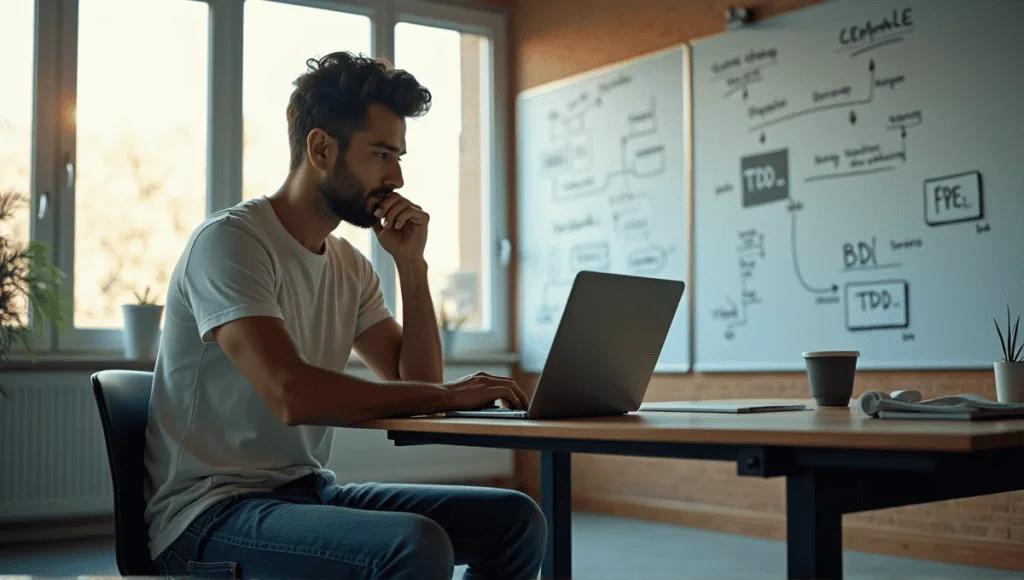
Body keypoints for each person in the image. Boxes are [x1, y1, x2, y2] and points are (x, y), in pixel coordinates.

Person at [142, 51, 547, 580]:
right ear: (321, 148)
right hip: (206, 517)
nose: (397, 176)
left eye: (399, 155)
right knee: (413, 545)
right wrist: (449, 395)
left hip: (308, 493)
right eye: (381, 153)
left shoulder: (349, 266)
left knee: (517, 520)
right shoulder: (231, 243)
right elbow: (292, 394)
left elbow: (417, 385)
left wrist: (412, 267)